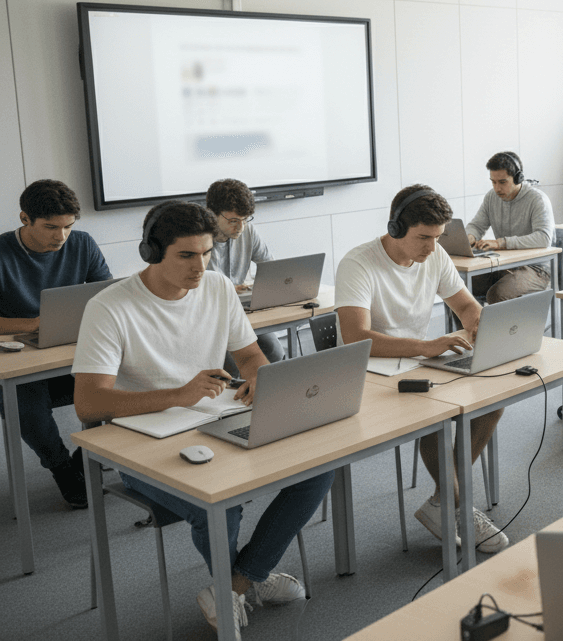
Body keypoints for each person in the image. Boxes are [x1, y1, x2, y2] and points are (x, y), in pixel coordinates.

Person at [72, 202, 324, 634]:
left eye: (207, 253)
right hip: (142, 445)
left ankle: (238, 584)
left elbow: (248, 355)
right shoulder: (109, 306)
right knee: (219, 505)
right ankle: (241, 585)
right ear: (152, 252)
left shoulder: (217, 286)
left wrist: (261, 377)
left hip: (213, 418)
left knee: (317, 468)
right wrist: (179, 395)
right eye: (186, 255)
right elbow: (89, 404)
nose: (200, 266)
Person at [335, 184, 509, 553]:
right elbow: (355, 338)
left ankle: (444, 502)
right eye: (424, 238)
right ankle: (456, 505)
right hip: (367, 373)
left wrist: (477, 323)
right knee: (435, 413)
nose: (432, 248)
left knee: (494, 398)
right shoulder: (358, 262)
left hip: (418, 362)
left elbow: (465, 305)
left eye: (438, 237)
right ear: (397, 228)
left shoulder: (435, 254)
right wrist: (427, 346)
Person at [0, 179, 112, 508]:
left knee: (134, 374)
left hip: (70, 352)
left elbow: (109, 298)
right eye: (51, 227)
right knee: (23, 399)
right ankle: (62, 468)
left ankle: (89, 453)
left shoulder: (83, 244)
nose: (60, 237)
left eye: (67, 226)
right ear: (24, 219)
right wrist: (33, 324)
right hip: (20, 362)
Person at [204, 178, 286, 372]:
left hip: (243, 312)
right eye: (233, 221)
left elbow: (271, 269)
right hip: (211, 319)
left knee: (274, 351)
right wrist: (226, 290)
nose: (240, 227)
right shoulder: (196, 239)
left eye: (245, 219)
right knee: (233, 366)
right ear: (212, 214)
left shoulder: (247, 230)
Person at [466, 152, 555, 303]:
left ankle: (504, 328)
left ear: (518, 178)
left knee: (498, 294)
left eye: (502, 182)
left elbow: (544, 238)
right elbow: (476, 225)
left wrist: (502, 243)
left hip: (536, 269)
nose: (497, 188)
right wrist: (470, 236)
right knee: (459, 289)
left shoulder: (537, 200)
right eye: (493, 182)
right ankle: (472, 328)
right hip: (504, 264)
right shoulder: (491, 198)